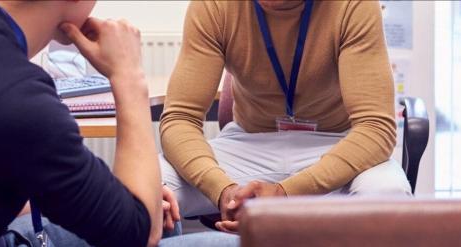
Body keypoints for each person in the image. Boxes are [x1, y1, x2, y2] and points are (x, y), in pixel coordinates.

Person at [0, 1, 238, 246]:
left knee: (164, 217)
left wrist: (125, 198)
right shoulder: (16, 93)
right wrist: (128, 76)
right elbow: (137, 235)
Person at [159, 0, 412, 232]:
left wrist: (286, 193)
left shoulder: (353, 5)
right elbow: (180, 118)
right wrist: (222, 189)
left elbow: (375, 127)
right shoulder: (214, 5)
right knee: (149, 188)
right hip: (249, 144)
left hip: (335, 143)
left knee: (388, 194)